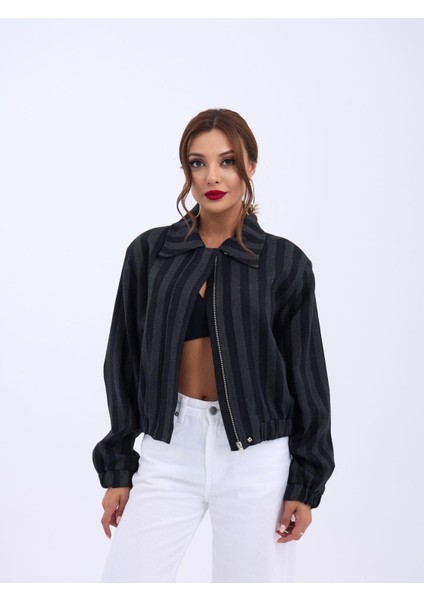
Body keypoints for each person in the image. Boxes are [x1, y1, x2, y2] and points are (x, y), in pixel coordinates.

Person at [92, 108, 336, 583]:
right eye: (197, 163)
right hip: (169, 448)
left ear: (250, 166)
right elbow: (122, 359)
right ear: (186, 171)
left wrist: (305, 484)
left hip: (256, 456)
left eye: (227, 161)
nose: (212, 177)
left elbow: (308, 378)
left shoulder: (284, 263)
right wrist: (119, 467)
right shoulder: (150, 252)